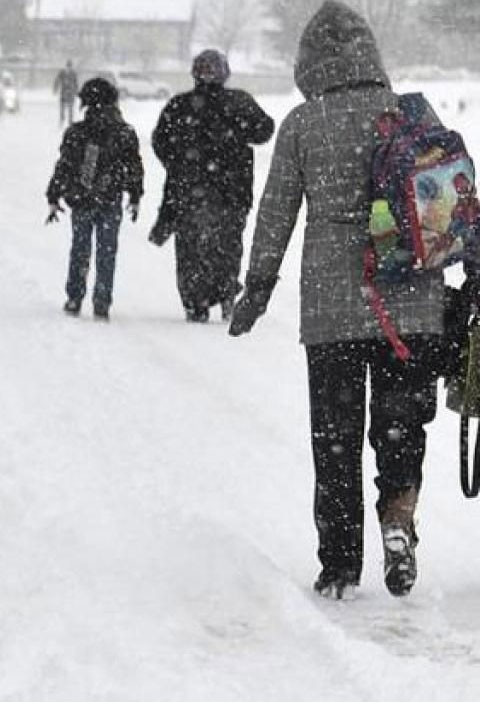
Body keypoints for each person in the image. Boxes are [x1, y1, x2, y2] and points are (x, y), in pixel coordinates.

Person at [229, 1, 443, 600]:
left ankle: (340, 565)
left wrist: (256, 290)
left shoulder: (303, 122)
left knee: (337, 439)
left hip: (333, 311)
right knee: (400, 429)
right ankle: (398, 522)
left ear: (309, 62)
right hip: (412, 304)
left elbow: (275, 216)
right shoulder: (405, 115)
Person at [152, 49, 275, 323]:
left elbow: (160, 141)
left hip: (189, 192)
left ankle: (196, 301)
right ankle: (225, 292)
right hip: (232, 191)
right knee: (227, 246)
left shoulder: (179, 106)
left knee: (191, 249)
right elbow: (265, 130)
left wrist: (179, 164)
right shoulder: (239, 102)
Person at [45, 78, 143, 321]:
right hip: (111, 199)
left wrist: (54, 194)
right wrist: (135, 194)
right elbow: (134, 166)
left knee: (80, 249)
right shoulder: (124, 133)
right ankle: (102, 300)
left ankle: (74, 296)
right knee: (106, 251)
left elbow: (64, 166)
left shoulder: (77, 132)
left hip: (81, 199)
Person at [53, 60, 79, 127]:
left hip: (70, 93)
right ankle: (62, 120)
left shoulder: (74, 73)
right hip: (64, 92)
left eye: (70, 66)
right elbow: (57, 80)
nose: (69, 67)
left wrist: (76, 91)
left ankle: (70, 121)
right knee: (62, 107)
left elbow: (76, 82)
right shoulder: (62, 72)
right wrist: (55, 88)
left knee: (70, 108)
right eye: (68, 66)